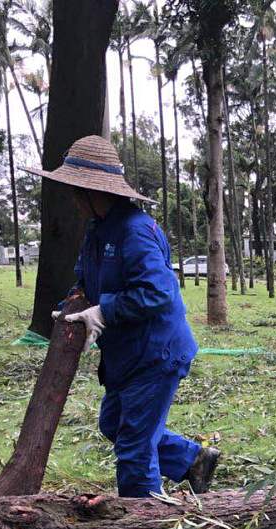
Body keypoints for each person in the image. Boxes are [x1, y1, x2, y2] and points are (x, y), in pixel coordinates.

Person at [22, 135, 220, 498]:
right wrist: (73, 307)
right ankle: (193, 460)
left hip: (156, 354)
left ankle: (142, 523)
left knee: (134, 448)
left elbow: (158, 292)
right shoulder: (97, 231)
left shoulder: (135, 230)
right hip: (126, 356)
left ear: (92, 190)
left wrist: (105, 310)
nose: (72, 199)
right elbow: (85, 281)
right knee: (114, 423)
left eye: (75, 190)